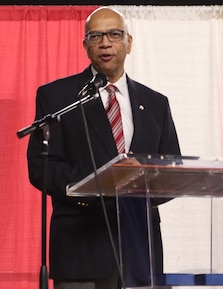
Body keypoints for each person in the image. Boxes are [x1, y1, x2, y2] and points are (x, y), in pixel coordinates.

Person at [27, 7, 181, 289]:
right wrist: (102, 183)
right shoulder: (57, 97)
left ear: (129, 42)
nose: (105, 42)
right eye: (95, 35)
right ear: (85, 45)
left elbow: (172, 168)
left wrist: (140, 180)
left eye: (114, 34)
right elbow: (41, 167)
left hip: (142, 253)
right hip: (81, 250)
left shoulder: (157, 103)